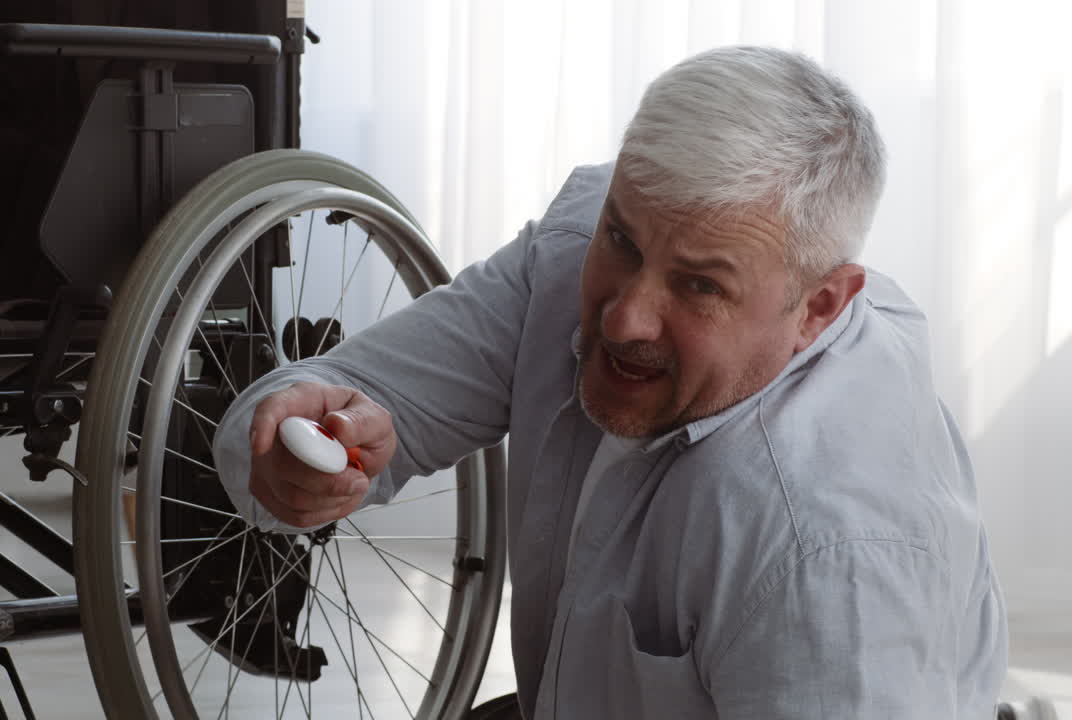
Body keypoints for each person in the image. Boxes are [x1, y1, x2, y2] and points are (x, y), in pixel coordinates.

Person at [213, 45, 1008, 718]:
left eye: (699, 286)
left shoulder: (830, 561)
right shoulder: (581, 240)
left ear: (818, 307)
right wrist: (295, 455)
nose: (626, 318)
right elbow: (315, 403)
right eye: (622, 242)